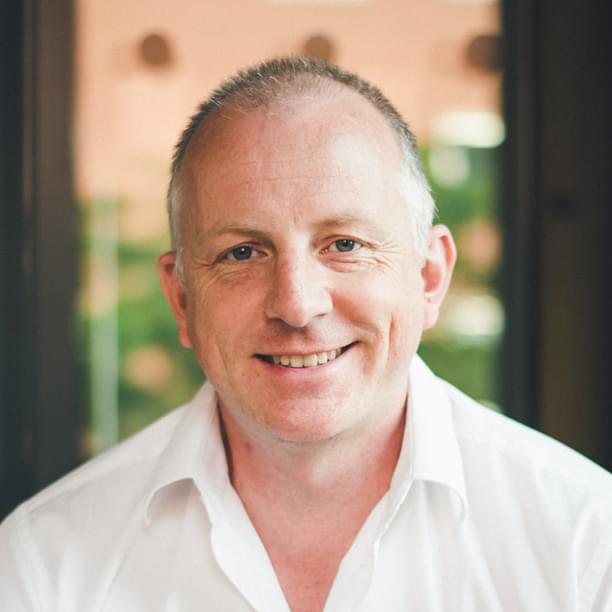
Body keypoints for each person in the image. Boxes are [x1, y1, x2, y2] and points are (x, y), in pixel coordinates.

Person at [1, 57, 611, 612]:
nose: (296, 305)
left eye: (345, 244)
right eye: (243, 252)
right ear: (181, 298)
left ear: (429, 277)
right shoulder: (42, 562)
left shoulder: (587, 545)